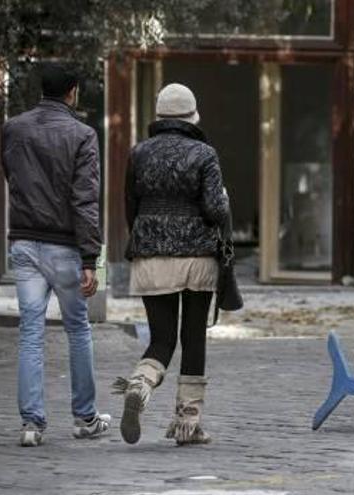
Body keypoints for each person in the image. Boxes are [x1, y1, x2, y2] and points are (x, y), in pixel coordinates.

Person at [0, 64, 110, 447]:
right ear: (73, 92)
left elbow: (11, 176)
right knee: (77, 329)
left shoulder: (13, 128)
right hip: (64, 245)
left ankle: (31, 424)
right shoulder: (83, 135)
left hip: (25, 243)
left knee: (31, 332)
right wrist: (89, 258)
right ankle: (85, 417)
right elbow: (85, 199)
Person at [116, 83, 230, 446]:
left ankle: (140, 383)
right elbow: (215, 209)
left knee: (162, 339)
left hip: (150, 256)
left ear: (160, 117)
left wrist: (148, 237)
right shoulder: (205, 154)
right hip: (197, 257)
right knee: (193, 338)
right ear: (192, 117)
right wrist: (223, 201)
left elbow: (130, 206)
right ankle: (187, 423)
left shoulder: (138, 153)